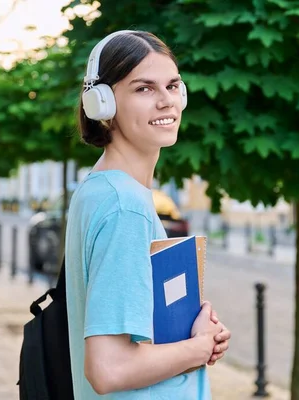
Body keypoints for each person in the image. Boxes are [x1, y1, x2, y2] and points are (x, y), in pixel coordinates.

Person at [65, 30, 231, 399]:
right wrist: (199, 346)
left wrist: (191, 333)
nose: (166, 102)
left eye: (173, 86)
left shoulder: (98, 190)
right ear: (102, 106)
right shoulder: (125, 207)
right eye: (144, 89)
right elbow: (108, 369)